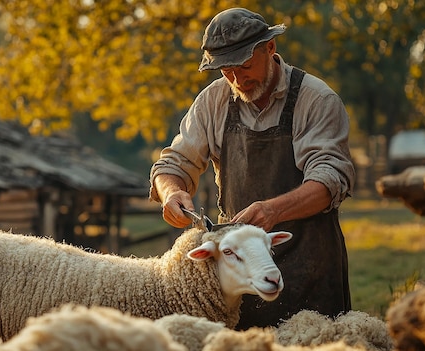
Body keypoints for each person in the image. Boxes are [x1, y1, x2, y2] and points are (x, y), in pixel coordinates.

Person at [149, 7, 355, 330]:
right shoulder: (212, 102)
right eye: (226, 71)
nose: (237, 79)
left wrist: (272, 210)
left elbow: (330, 179)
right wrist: (172, 192)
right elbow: (173, 164)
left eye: (245, 66)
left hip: (311, 273)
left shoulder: (316, 100)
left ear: (270, 49)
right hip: (242, 274)